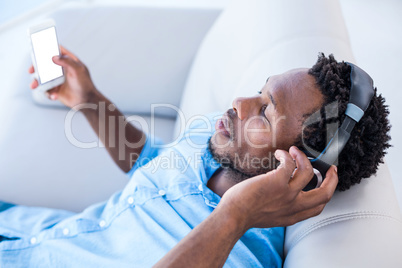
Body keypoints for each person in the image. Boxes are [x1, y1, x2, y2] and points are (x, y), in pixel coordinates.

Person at [0, 41, 390, 266]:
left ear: (303, 171)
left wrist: (235, 216)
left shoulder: (234, 254)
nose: (239, 102)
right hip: (23, 227)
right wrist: (89, 100)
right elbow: (151, 163)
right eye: (260, 90)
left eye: (267, 114)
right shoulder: (218, 138)